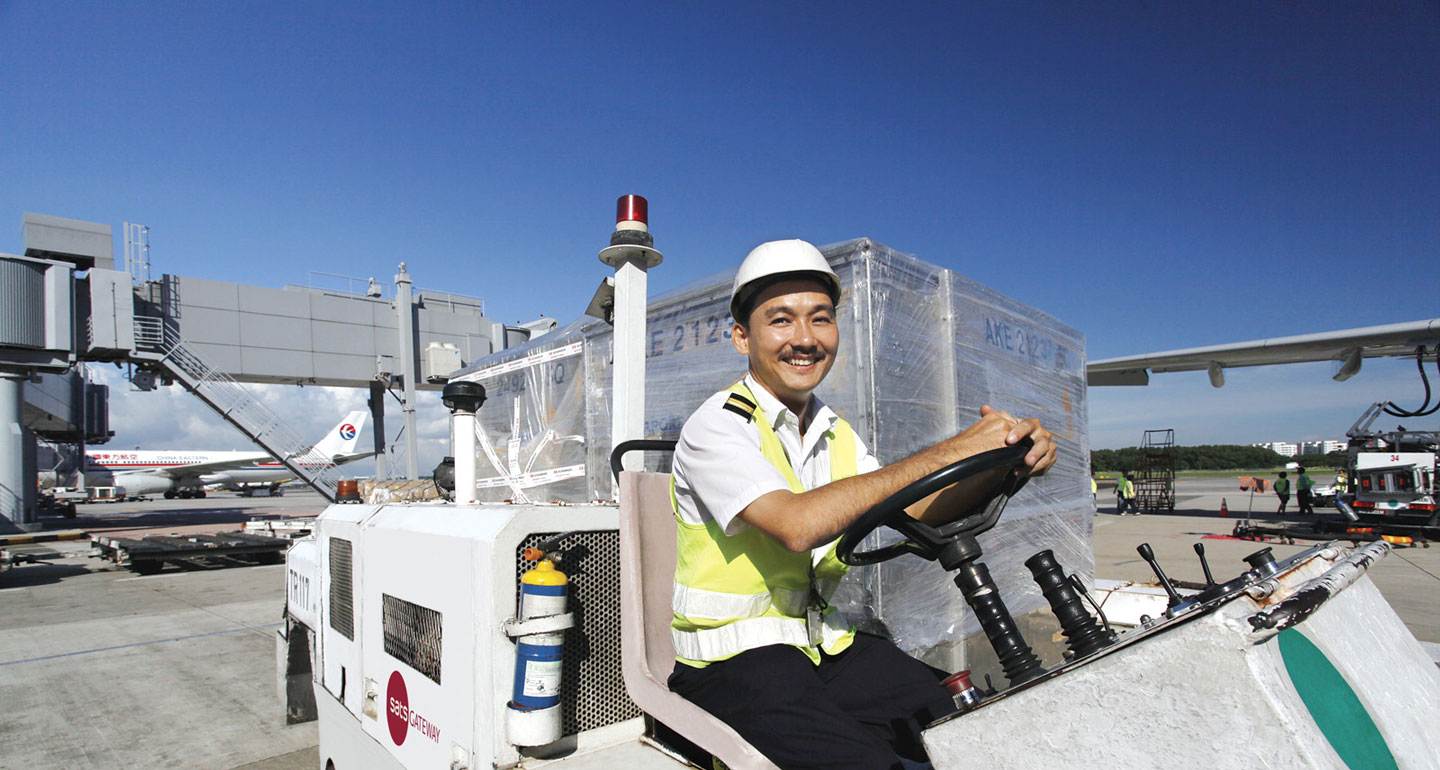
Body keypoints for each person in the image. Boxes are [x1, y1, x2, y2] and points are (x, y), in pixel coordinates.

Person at [667, 239, 1057, 770]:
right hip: (730, 661)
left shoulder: (835, 433)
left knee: (962, 723)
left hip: (824, 646)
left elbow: (911, 508)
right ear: (743, 337)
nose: (804, 339)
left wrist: (1003, 465)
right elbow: (796, 525)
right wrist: (957, 446)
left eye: (820, 320)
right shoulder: (718, 424)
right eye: (781, 320)